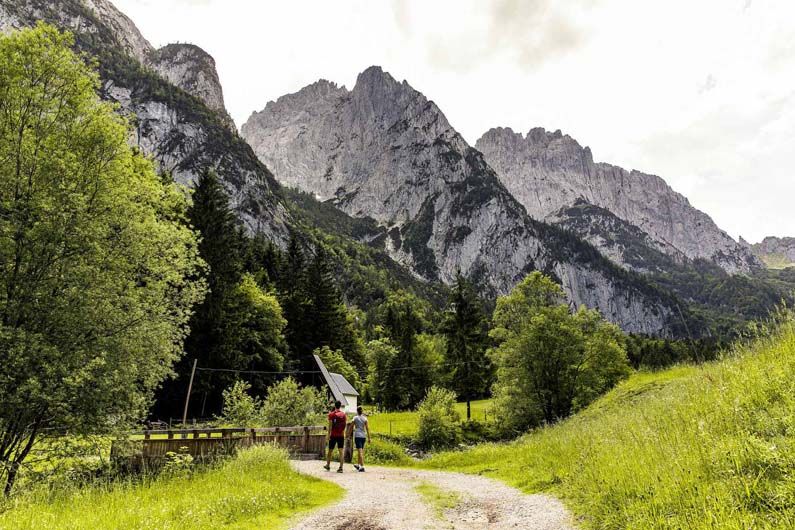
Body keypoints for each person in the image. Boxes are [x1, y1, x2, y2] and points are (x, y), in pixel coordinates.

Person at [324, 400, 347, 473]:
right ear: (340, 406)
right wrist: (343, 434)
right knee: (341, 451)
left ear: (335, 405)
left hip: (333, 435)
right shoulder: (343, 415)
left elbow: (330, 426)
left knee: (330, 451)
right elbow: (344, 425)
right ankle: (341, 468)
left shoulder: (331, 414)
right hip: (341, 435)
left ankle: (328, 465)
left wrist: (328, 435)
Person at [351, 406, 370, 472]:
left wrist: (348, 434)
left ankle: (362, 466)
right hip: (363, 436)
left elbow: (351, 426)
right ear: (362, 411)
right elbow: (367, 428)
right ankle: (358, 465)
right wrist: (369, 438)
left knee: (360, 451)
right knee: (361, 451)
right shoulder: (365, 418)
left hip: (357, 436)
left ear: (357, 411)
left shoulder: (355, 418)